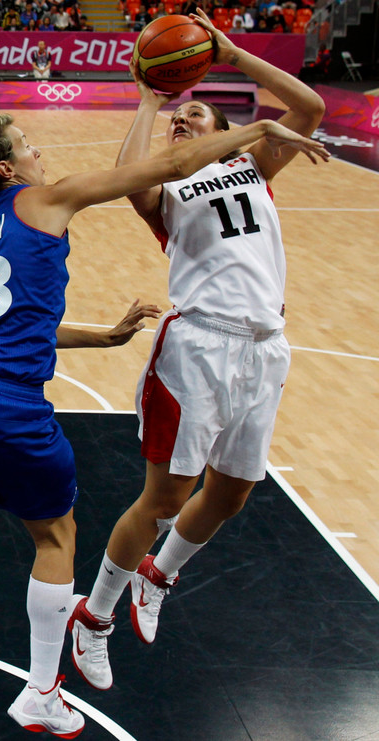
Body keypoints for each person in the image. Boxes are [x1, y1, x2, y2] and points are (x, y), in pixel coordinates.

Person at [0, 105, 326, 734]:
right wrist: (257, 131)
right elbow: (164, 165)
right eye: (27, 145)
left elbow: (11, 324)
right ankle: (42, 693)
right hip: (3, 403)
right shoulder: (46, 199)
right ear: (8, 167)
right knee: (56, 539)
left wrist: (105, 338)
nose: (39, 153)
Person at [68, 11, 329, 695]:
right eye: (179, 123)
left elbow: (310, 106)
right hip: (197, 347)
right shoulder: (170, 190)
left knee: (234, 492)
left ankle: (158, 575)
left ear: (226, 131)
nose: (184, 126)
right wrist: (152, 99)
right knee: (164, 497)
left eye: (194, 119)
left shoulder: (257, 163)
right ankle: (94, 617)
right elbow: (132, 176)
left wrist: (235, 54)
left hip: (266, 348)